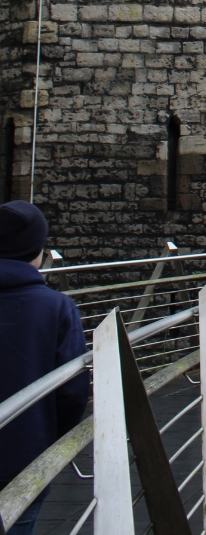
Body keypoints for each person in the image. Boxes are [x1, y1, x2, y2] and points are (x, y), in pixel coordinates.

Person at [0, 201, 89, 534]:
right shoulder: (56, 307)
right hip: (23, 460)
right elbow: (72, 392)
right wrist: (48, 442)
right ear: (37, 251)